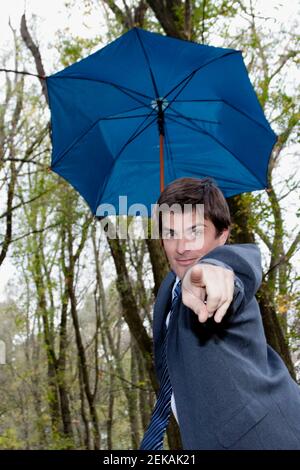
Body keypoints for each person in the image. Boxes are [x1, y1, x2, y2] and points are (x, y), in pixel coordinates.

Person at [140, 177, 300, 450]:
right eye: (170, 233)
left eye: (195, 231)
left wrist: (210, 275)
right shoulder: (169, 290)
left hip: (267, 437)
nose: (181, 246)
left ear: (222, 235)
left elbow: (232, 271)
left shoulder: (223, 269)